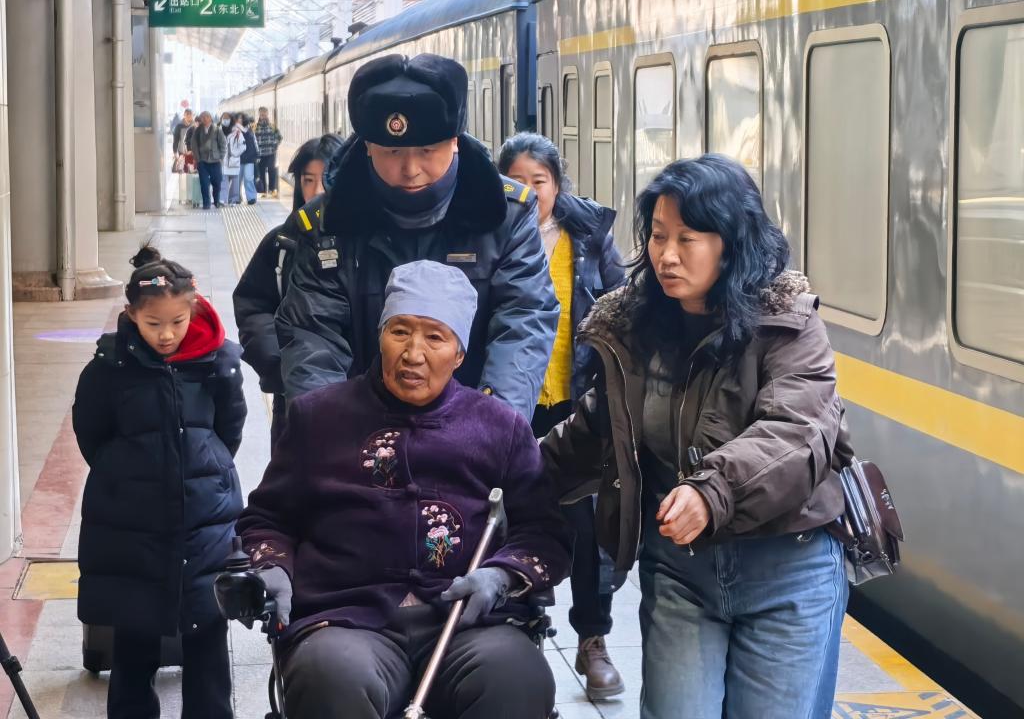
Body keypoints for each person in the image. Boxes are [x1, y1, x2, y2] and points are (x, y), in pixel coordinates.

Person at [542, 154, 849, 719]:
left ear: (731, 244)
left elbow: (796, 431)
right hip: (680, 573)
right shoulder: (635, 328)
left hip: (787, 572)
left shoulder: (789, 323)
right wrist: (491, 479)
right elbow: (593, 430)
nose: (667, 255)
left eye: (687, 238)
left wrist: (712, 491)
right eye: (659, 236)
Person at [239, 259, 570, 719]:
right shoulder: (318, 417)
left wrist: (501, 575)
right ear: (380, 336)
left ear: (459, 355)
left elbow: (544, 532)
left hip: (467, 625)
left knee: (517, 678)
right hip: (347, 618)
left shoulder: (500, 427)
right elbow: (268, 518)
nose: (413, 354)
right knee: (329, 676)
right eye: (400, 332)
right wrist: (272, 566)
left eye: (435, 337)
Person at [276, 53, 558, 420]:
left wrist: (491, 426)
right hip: (360, 428)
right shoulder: (327, 225)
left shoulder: (506, 215)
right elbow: (313, 336)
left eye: (427, 151)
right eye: (392, 151)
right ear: (367, 146)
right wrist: (332, 432)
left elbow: (523, 321)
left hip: (470, 423)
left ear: (454, 140)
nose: (410, 169)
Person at [72, 245, 246, 719]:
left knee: (207, 632)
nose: (166, 335)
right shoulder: (110, 367)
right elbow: (92, 433)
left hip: (204, 522)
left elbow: (229, 428)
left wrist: (203, 469)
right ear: (131, 314)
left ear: (194, 309)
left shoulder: (217, 362)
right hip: (133, 526)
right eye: (153, 324)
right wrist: (126, 475)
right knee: (135, 635)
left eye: (177, 322)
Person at [496, 132, 626, 699]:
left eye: (539, 181)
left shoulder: (589, 236)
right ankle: (520, 627)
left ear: (557, 184)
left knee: (588, 526)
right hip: (511, 404)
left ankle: (593, 639)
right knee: (513, 519)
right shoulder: (488, 233)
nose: (529, 192)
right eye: (516, 181)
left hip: (576, 403)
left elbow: (621, 305)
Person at [233, 133, 344, 446]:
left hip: (358, 395)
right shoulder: (281, 242)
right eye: (308, 180)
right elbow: (253, 305)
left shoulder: (364, 244)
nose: (317, 190)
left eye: (326, 179)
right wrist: (279, 363)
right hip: (292, 395)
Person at [193, 111, 226, 209]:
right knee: (204, 183)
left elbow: (223, 144)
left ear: (210, 118)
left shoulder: (217, 129)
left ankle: (216, 201)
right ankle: (206, 203)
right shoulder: (198, 130)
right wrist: (198, 158)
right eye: (202, 117)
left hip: (215, 160)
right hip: (202, 161)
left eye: (206, 117)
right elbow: (194, 144)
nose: (204, 119)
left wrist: (221, 157)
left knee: (217, 182)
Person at [255, 106, 283, 196]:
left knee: (272, 170)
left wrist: (275, 145)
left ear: (267, 114)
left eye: (264, 114)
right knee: (261, 172)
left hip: (271, 153)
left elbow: (279, 137)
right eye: (261, 114)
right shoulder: (255, 127)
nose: (263, 116)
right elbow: (252, 139)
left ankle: (272, 189)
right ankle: (263, 191)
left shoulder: (272, 126)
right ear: (259, 114)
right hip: (260, 154)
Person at [223, 115, 247, 206]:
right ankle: (223, 199)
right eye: (224, 119)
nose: (226, 121)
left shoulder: (237, 132)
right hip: (223, 161)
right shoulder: (219, 131)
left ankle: (233, 199)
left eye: (227, 120)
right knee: (223, 181)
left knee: (235, 182)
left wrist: (235, 154)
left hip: (234, 161)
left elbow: (243, 146)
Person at [239, 114, 261, 205]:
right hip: (238, 159)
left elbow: (255, 143)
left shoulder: (250, 131)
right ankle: (236, 197)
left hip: (249, 159)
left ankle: (251, 197)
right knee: (237, 180)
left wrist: (257, 154)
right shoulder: (235, 130)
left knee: (248, 178)